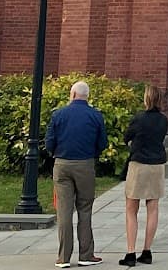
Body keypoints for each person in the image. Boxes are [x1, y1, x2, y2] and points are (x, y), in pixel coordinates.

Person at [45, 80, 107, 268]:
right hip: (85, 164)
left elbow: (49, 142)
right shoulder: (95, 116)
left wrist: (55, 153)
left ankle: (63, 257)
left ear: (72, 95)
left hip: (62, 164)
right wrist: (92, 154)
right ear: (87, 96)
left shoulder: (58, 115)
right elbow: (102, 143)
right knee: (85, 209)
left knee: (64, 211)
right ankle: (86, 255)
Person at [119, 84, 168, 267]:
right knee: (153, 208)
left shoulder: (139, 118)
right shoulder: (164, 120)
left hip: (139, 164)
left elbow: (126, 137)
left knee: (131, 208)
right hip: (157, 165)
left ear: (146, 98)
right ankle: (147, 251)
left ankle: (131, 252)